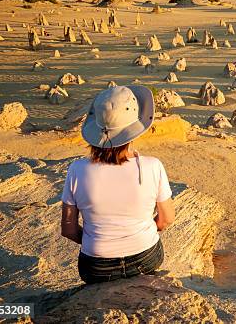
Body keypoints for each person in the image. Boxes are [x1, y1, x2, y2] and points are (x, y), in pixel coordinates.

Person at [60, 85, 175, 284]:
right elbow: (166, 220)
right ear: (135, 128)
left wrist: (97, 241)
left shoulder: (76, 170)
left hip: (95, 266)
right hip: (145, 257)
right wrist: (137, 234)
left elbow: (68, 229)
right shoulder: (153, 166)